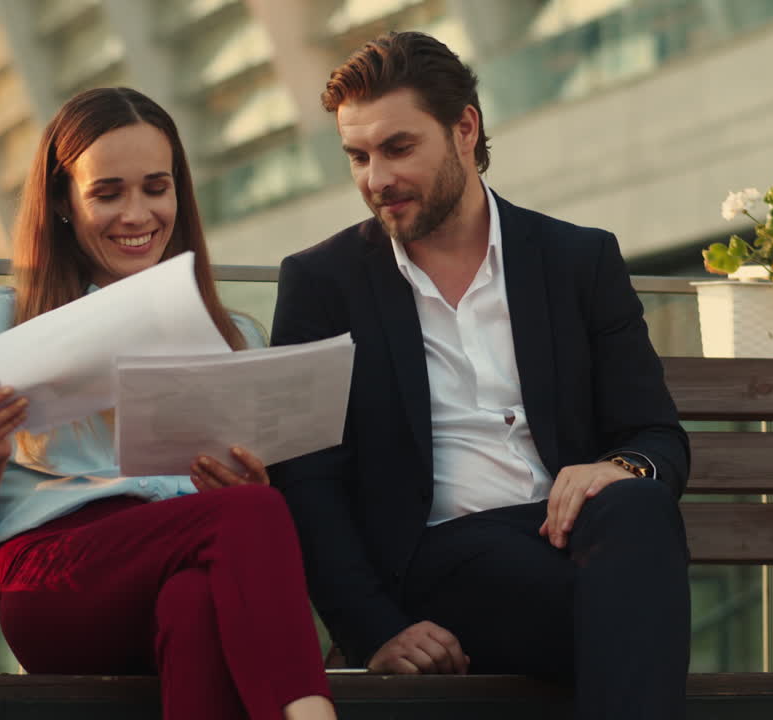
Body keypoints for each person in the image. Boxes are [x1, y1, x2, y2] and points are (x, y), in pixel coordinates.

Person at [269, 32, 691, 719]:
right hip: (440, 558)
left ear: (464, 129)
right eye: (359, 156)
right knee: (633, 605)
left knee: (638, 505)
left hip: (573, 537)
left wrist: (614, 469)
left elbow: (656, 437)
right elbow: (307, 481)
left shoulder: (577, 261)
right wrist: (375, 630)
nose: (376, 179)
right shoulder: (323, 283)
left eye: (398, 148)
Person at [0, 87, 335, 720]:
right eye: (108, 193)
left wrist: (244, 485)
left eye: (155, 188)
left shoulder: (236, 337)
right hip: (55, 584)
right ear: (62, 202)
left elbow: (242, 517)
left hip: (189, 561)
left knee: (195, 602)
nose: (137, 214)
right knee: (247, 516)